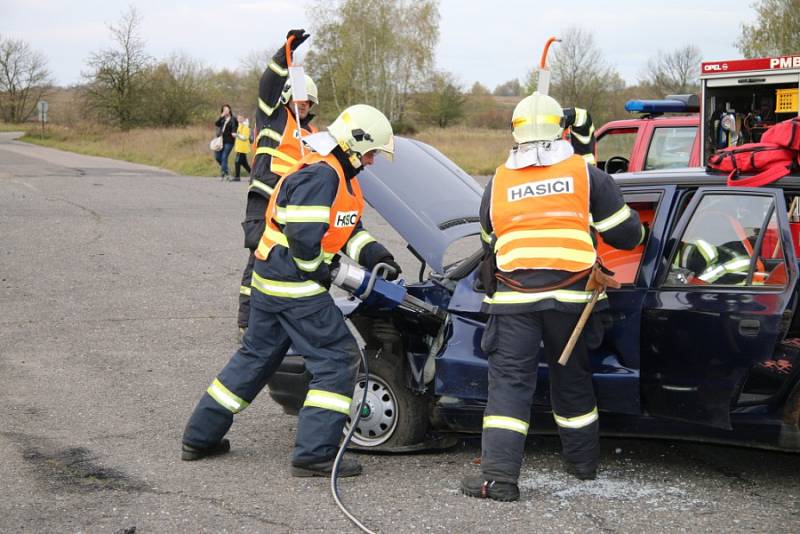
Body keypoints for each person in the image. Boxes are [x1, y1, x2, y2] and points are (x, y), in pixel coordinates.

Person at [181, 104, 402, 478]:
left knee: (255, 357)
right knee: (336, 358)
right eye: (370, 153)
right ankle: (314, 454)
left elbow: (346, 230)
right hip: (294, 285)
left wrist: (377, 255)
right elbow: (303, 241)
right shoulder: (321, 175)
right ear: (353, 146)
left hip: (272, 283)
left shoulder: (338, 174)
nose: (372, 162)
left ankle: (199, 437)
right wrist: (328, 272)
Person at [460, 92, 645, 501]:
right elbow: (627, 235)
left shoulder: (499, 180)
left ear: (516, 133)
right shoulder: (584, 174)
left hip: (513, 302)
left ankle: (500, 480)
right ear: (562, 130)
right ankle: (583, 466)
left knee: (509, 386)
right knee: (572, 379)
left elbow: (488, 240)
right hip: (572, 300)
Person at [237, 29, 320, 340]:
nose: (304, 105)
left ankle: (284, 320)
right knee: (258, 256)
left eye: (308, 102)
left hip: (291, 208)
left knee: (286, 262)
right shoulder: (273, 117)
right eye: (299, 99)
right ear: (288, 97)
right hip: (265, 200)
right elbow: (268, 84)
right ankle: (247, 322)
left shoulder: (313, 135)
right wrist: (285, 53)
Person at [214, 105, 238, 181]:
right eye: (224, 109)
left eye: (227, 109)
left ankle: (223, 174)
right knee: (218, 157)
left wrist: (234, 132)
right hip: (220, 141)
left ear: (230, 110)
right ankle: (227, 171)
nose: (225, 111)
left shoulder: (233, 119)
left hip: (229, 141)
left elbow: (235, 127)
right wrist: (221, 116)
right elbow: (216, 124)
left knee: (224, 157)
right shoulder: (222, 119)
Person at [232, 114, 252, 182]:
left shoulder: (245, 126)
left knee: (237, 162)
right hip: (239, 147)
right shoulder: (240, 125)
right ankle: (253, 175)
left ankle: (237, 177)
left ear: (244, 118)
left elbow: (245, 137)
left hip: (243, 148)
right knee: (244, 163)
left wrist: (237, 135)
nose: (239, 119)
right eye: (238, 118)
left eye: (240, 118)